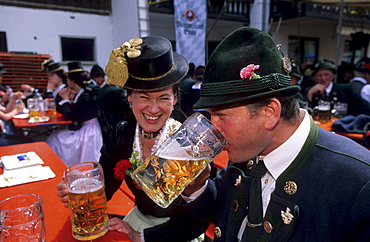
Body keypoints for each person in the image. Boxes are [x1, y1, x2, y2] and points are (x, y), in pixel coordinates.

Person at [144, 27, 370, 241]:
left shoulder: (359, 182)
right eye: (211, 116)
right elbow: (227, 212)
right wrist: (196, 187)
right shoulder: (250, 149)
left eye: (222, 115)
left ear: (270, 112)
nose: (213, 128)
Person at [56, 36, 210, 242]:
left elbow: (196, 219)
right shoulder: (123, 134)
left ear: (175, 99)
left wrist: (140, 236)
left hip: (175, 234)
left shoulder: (190, 143)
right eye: (144, 97)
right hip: (137, 221)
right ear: (129, 98)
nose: (153, 109)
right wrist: (81, 193)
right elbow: (105, 188)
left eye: (163, 97)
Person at [47, 61, 102, 166]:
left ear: (71, 81)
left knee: (56, 139)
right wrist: (65, 99)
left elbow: (72, 116)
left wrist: (66, 100)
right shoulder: (80, 93)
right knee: (56, 135)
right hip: (83, 127)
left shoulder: (85, 96)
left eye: (68, 79)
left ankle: (60, 164)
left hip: (89, 131)